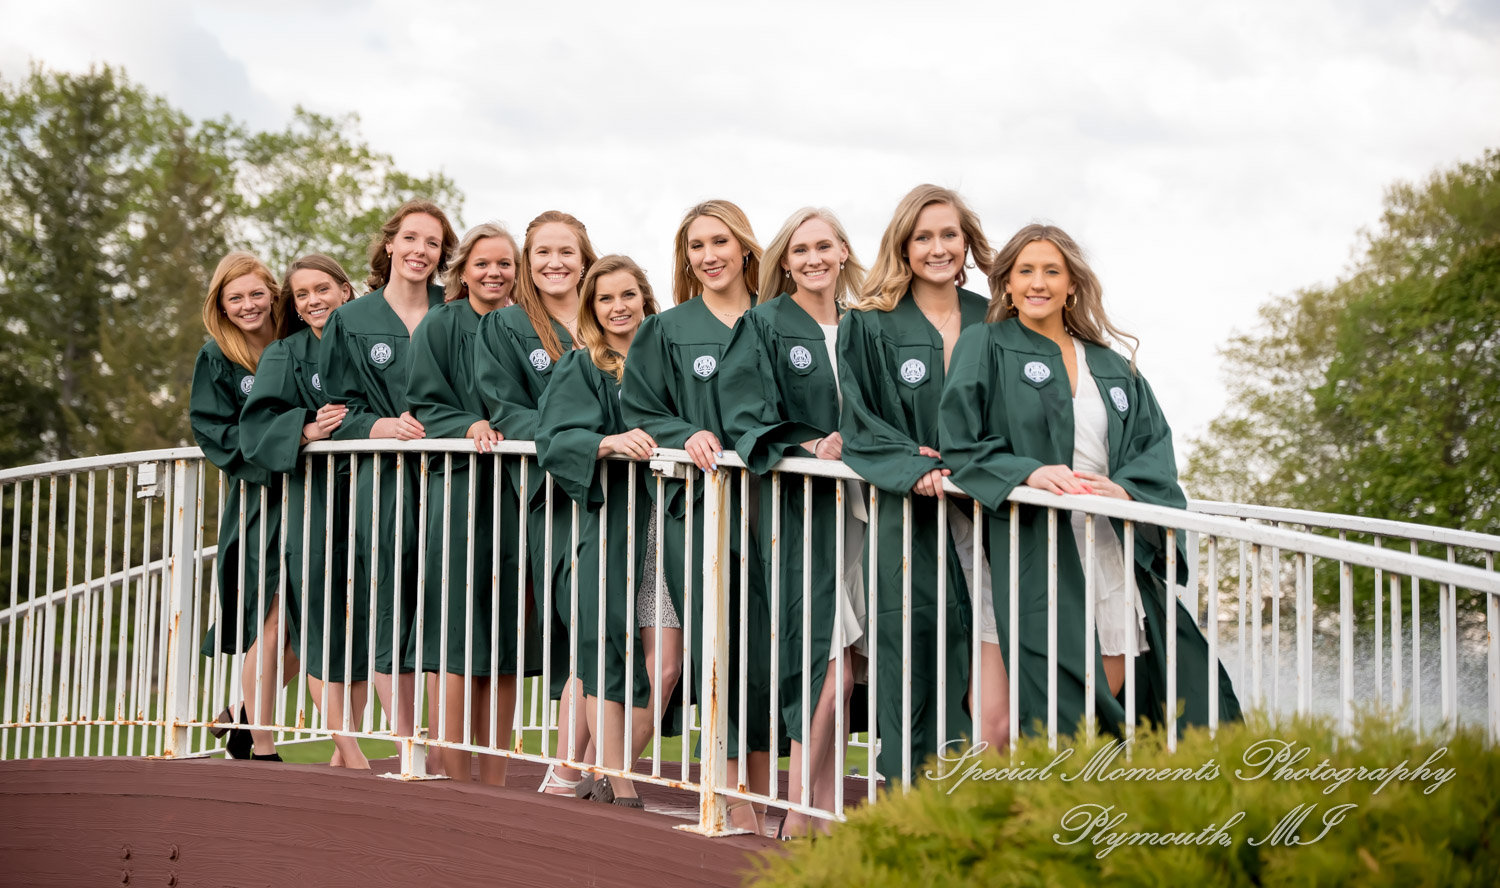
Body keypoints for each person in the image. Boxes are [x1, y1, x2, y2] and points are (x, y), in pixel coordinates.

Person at [939, 223, 1242, 738]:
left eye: (1052, 271)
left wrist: (1126, 490)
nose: (1038, 282)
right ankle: (1000, 816)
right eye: (1025, 271)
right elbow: (959, 438)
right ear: (1006, 284)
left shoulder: (1111, 364)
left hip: (1104, 548)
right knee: (995, 720)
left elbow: (1154, 449)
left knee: (1086, 714)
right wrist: (1026, 471)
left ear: (1072, 284)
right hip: (1025, 547)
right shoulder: (985, 344)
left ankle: (1064, 812)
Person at [837, 184, 1007, 786]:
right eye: (924, 237)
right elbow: (858, 418)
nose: (938, 248)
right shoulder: (869, 325)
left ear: (967, 243)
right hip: (909, 510)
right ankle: (910, 791)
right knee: (911, 648)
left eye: (949, 235)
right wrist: (914, 464)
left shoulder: (999, 319)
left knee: (995, 657)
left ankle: (985, 800)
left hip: (990, 512)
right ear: (903, 247)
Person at [620, 200, 773, 834]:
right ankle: (732, 801)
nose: (708, 256)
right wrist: (687, 433)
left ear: (744, 247)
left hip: (771, 513)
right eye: (695, 246)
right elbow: (641, 405)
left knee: (760, 655)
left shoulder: (776, 323)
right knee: (712, 651)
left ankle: (764, 803)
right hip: (692, 514)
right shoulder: (668, 329)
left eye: (719, 242)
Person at [720, 207, 867, 837]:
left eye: (823, 247)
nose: (812, 259)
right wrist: (804, 446)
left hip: (868, 510)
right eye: (799, 250)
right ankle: (802, 804)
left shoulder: (868, 327)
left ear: (841, 254)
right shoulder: (764, 323)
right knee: (821, 653)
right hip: (803, 510)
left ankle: (823, 807)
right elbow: (744, 411)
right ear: (785, 261)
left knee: (851, 658)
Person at [318, 199, 458, 746]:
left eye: (433, 243)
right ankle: (405, 740)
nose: (421, 251)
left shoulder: (456, 312)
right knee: (386, 602)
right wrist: (375, 428)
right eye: (412, 238)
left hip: (450, 477)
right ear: (391, 243)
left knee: (446, 599)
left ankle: (448, 735)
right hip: (382, 483)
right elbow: (336, 409)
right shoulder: (351, 321)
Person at [474, 210, 597, 794]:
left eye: (566, 252)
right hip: (555, 492)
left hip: (624, 492)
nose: (555, 263)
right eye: (543, 252)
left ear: (584, 257)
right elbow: (505, 407)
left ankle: (598, 763)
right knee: (584, 618)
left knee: (621, 623)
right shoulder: (507, 326)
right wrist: (579, 439)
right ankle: (568, 764)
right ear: (528, 262)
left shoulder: (608, 316)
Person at [536, 254, 662, 808]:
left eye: (627, 295)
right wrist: (606, 442)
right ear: (592, 307)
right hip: (609, 517)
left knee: (664, 655)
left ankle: (597, 769)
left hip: (668, 517)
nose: (618, 307)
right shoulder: (583, 365)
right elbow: (554, 438)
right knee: (603, 642)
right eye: (605, 298)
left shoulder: (667, 358)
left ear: (645, 299)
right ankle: (617, 777)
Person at [403, 223, 525, 784]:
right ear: (464, 270)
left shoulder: (529, 326)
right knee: (455, 627)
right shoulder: (442, 323)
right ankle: (451, 774)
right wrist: (467, 421)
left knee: (505, 632)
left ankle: (496, 778)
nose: (493, 273)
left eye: (504, 264)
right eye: (482, 264)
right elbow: (424, 401)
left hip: (518, 493)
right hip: (458, 488)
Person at [240, 254, 368, 768]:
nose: (314, 301)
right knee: (313, 622)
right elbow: (255, 428)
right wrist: (307, 430)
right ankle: (351, 756)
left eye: (323, 289)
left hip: (369, 499)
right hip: (312, 503)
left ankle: (341, 765)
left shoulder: (368, 345)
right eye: (302, 295)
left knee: (358, 626)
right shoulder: (285, 353)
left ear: (345, 290)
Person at [192, 251, 294, 761]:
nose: (249, 305)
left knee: (305, 629)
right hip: (262, 500)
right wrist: (284, 443)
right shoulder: (218, 357)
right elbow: (216, 431)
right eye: (236, 298)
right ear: (222, 305)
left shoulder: (300, 342)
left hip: (317, 496)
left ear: (273, 293)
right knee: (274, 620)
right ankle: (263, 747)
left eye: (257, 293)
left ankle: (241, 718)